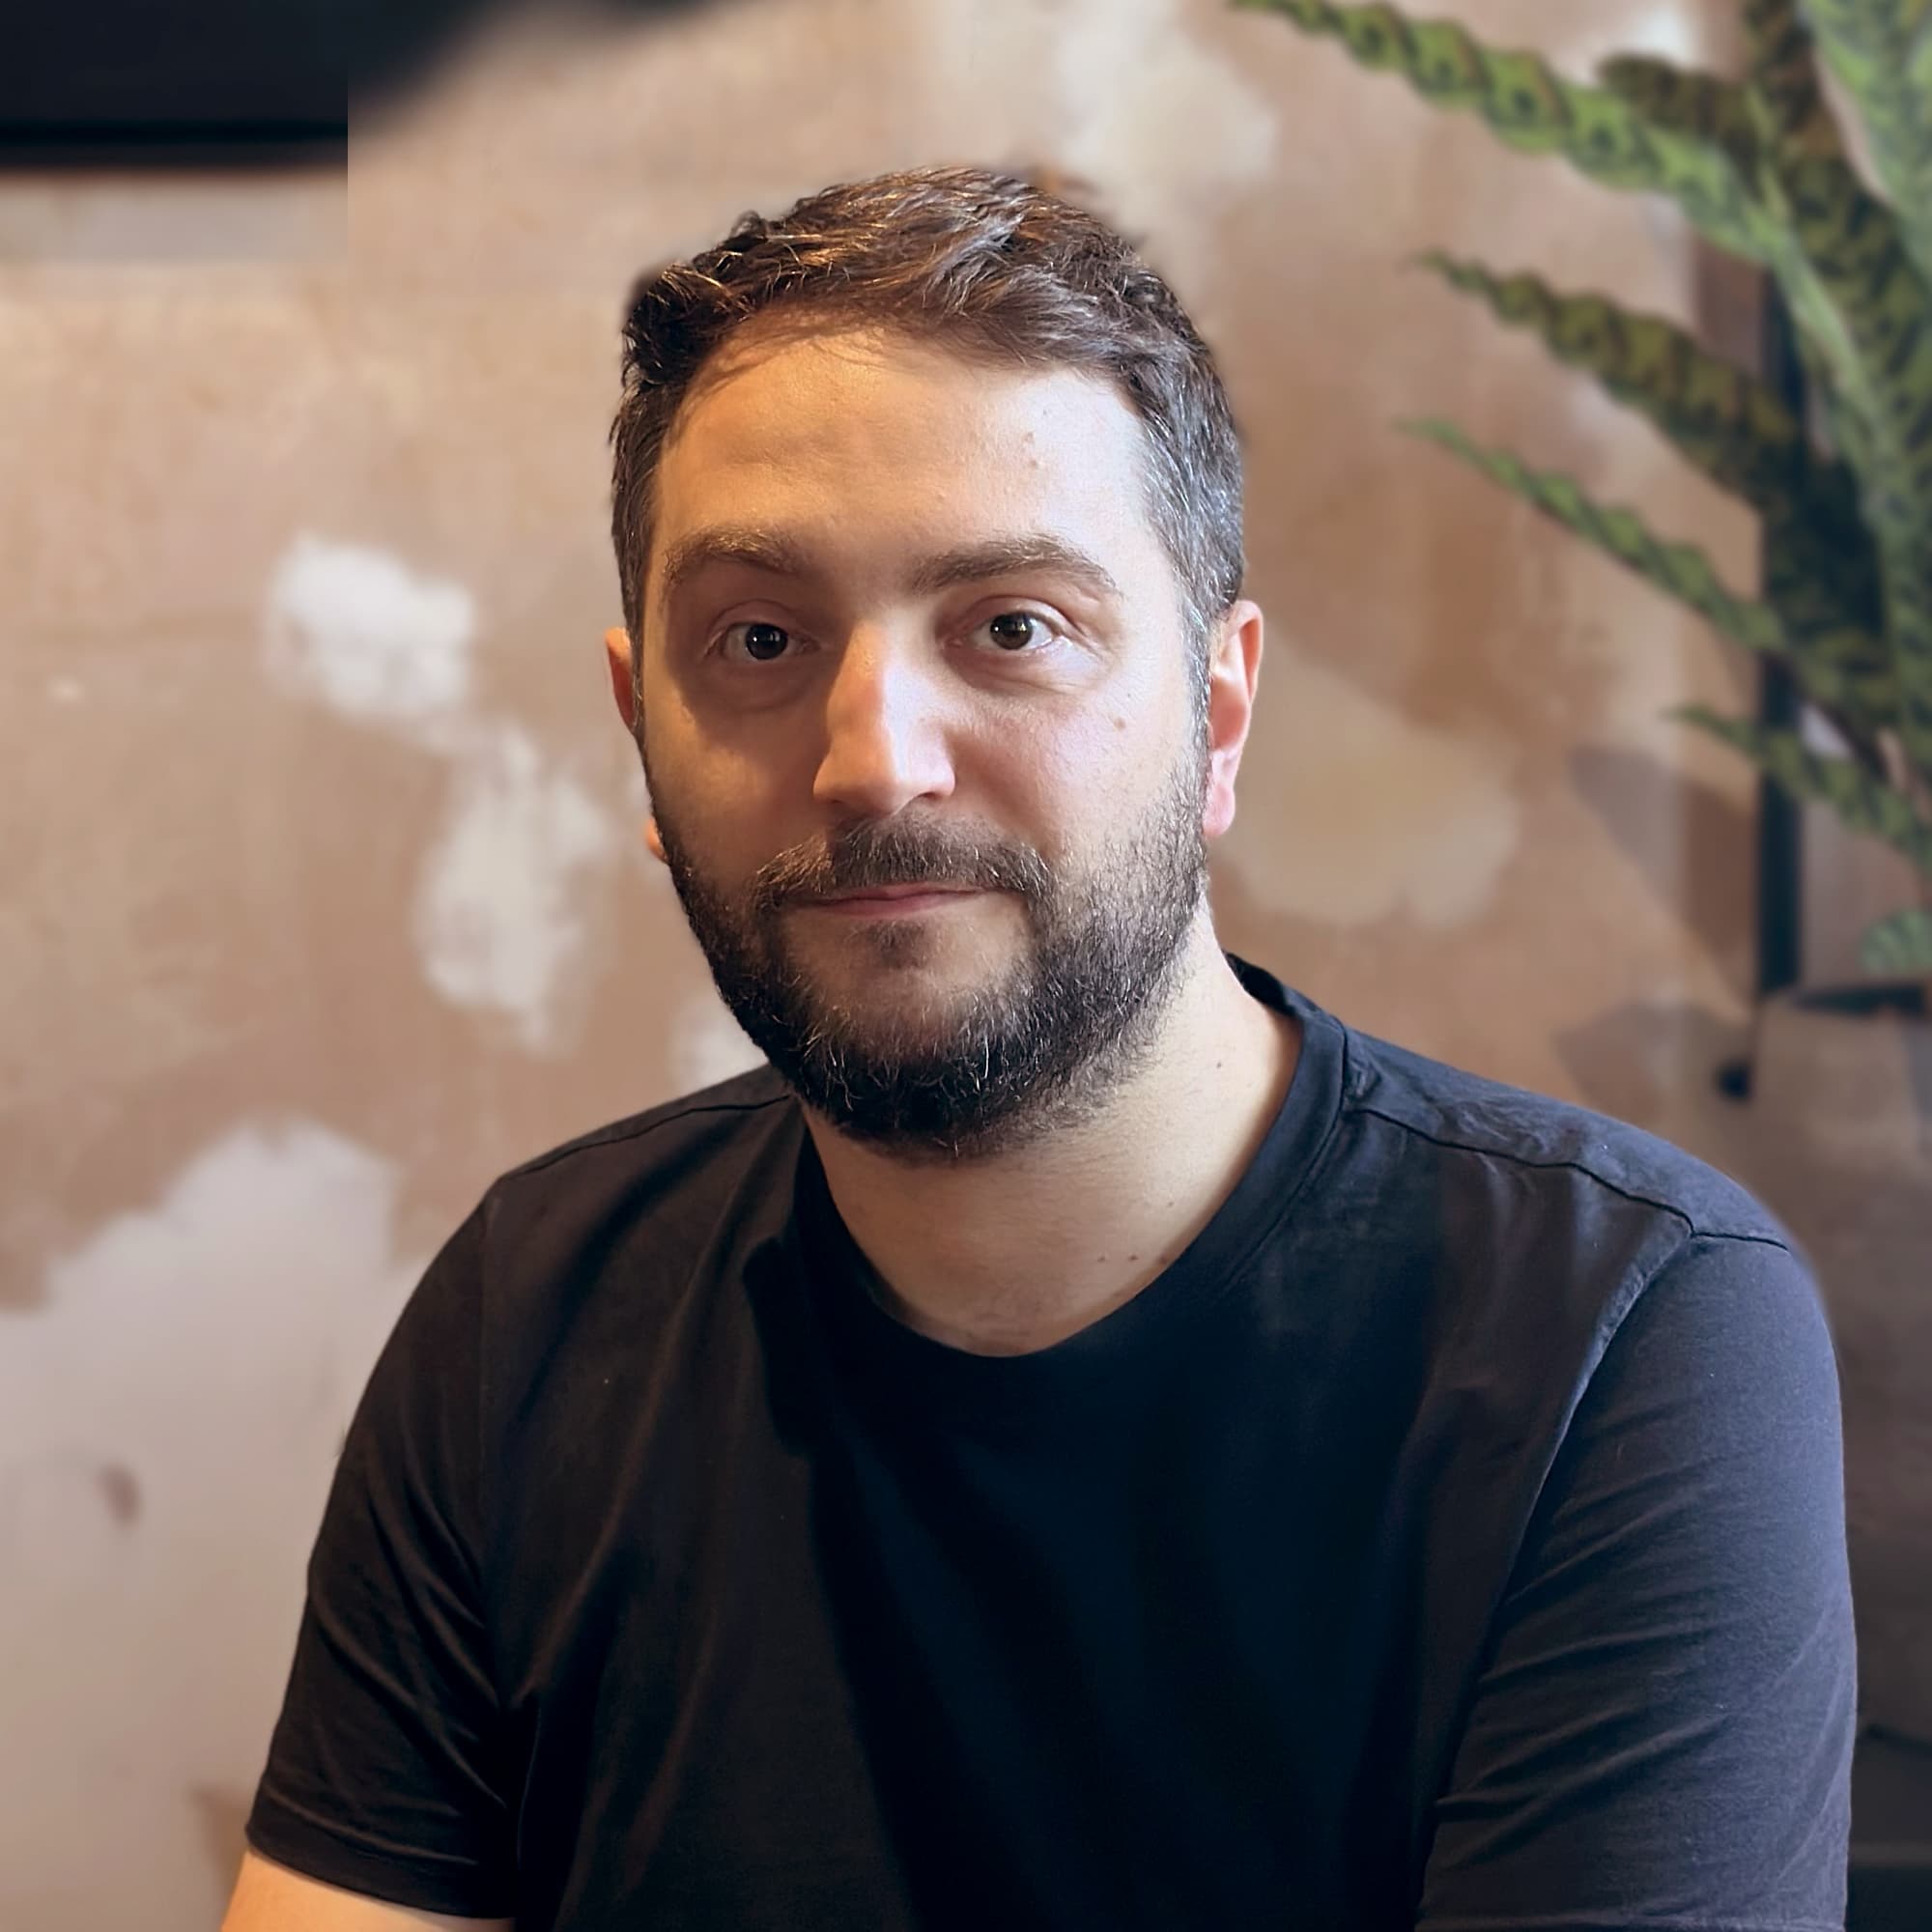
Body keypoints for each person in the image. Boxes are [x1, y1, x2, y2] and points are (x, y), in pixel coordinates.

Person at [222, 165, 1855, 1932]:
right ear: (642, 727)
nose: (875, 758)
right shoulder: (528, 1318)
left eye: (1013, 627)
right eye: (760, 639)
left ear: (1218, 710)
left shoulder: (1617, 1337)